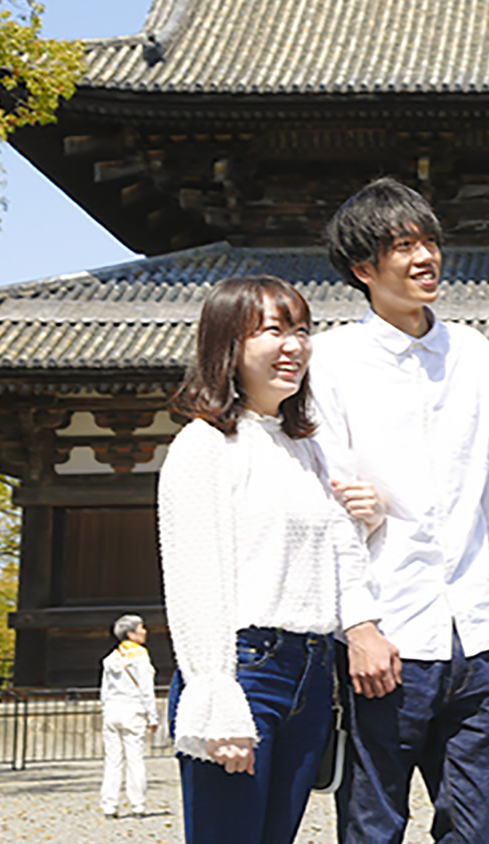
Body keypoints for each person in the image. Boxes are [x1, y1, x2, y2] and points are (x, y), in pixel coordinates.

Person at [311, 178, 489, 844]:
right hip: (388, 642)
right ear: (363, 268)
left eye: (430, 241)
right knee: (372, 826)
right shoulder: (330, 361)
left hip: (477, 636)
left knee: (481, 831)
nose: (424, 258)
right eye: (403, 246)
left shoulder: (470, 351)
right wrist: (357, 626)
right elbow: (330, 509)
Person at [158, 276, 384, 844]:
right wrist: (217, 695)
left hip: (308, 673)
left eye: (303, 331)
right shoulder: (204, 445)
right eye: (273, 331)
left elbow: (327, 554)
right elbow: (194, 580)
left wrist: (368, 520)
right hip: (243, 666)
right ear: (228, 346)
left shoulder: (304, 446)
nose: (295, 346)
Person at [100, 613, 159, 818]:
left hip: (112, 712)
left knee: (112, 761)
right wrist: (153, 716)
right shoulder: (140, 656)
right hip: (133, 710)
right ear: (131, 633)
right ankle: (138, 805)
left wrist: (105, 710)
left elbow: (104, 691)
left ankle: (109, 806)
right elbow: (146, 688)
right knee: (135, 759)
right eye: (141, 628)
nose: (145, 632)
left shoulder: (111, 658)